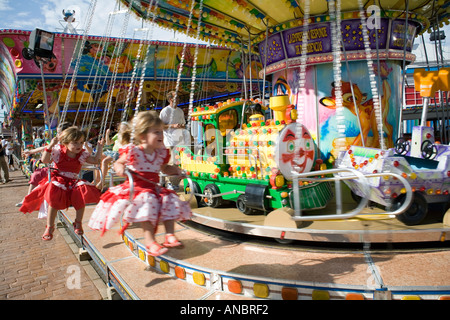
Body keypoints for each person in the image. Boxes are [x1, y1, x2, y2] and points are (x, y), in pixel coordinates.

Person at [88, 111, 191, 256]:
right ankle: (150, 242)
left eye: (161, 132)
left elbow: (164, 168)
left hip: (153, 188)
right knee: (148, 206)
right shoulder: (134, 151)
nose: (161, 135)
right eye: (156, 132)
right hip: (137, 189)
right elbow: (119, 162)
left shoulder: (160, 153)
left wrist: (177, 171)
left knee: (170, 199)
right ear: (143, 137)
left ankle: (169, 235)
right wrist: (120, 169)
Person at [20, 126, 104, 241]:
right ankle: (50, 226)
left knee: (81, 194)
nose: (79, 145)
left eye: (81, 142)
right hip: (58, 178)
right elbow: (45, 160)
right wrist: (49, 146)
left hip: (73, 180)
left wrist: (100, 148)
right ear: (66, 142)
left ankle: (78, 222)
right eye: (75, 143)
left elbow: (96, 161)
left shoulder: (82, 154)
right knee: (54, 198)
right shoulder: (58, 151)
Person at [15, 122, 72, 207]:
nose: (58, 135)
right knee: (36, 174)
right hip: (55, 168)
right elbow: (46, 148)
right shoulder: (58, 143)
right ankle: (28, 198)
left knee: (38, 175)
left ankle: (29, 199)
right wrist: (31, 151)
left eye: (60, 132)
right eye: (57, 132)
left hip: (63, 171)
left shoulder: (71, 144)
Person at [159, 90, 186, 191]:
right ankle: (169, 182)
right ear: (170, 99)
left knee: (179, 162)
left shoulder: (180, 111)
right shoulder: (165, 111)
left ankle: (174, 183)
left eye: (178, 97)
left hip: (180, 140)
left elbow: (183, 123)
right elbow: (160, 125)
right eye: (176, 97)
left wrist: (182, 126)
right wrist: (172, 125)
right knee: (171, 162)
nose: (178, 99)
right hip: (169, 141)